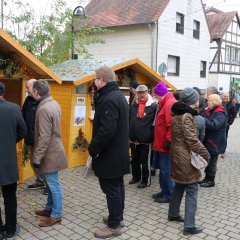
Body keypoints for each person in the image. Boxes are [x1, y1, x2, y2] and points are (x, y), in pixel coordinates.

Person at [88, 66, 130, 239]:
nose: (94, 81)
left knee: (111, 189)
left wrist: (93, 149)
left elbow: (107, 130)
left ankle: (114, 226)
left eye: (96, 78)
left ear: (102, 80)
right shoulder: (117, 96)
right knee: (117, 186)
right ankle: (117, 217)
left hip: (110, 154)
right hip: (118, 152)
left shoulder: (109, 99)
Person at [168, 87, 209, 236]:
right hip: (184, 156)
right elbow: (192, 140)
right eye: (197, 98)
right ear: (193, 101)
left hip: (177, 154)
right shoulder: (187, 116)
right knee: (192, 188)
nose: (199, 100)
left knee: (179, 184)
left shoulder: (177, 114)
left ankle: (173, 213)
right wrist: (205, 153)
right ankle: (189, 226)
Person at [31, 80, 67, 227]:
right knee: (52, 183)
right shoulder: (53, 103)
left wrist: (37, 157)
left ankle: (56, 215)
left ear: (36, 92)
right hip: (54, 150)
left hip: (50, 153)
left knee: (53, 184)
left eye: (31, 90)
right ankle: (49, 209)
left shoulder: (44, 109)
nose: (30, 92)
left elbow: (44, 137)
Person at [0, 81, 27, 240]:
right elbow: (23, 131)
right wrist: (10, 141)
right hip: (8, 160)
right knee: (10, 197)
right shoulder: (14, 108)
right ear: (4, 92)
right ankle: (10, 230)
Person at [129, 85, 157, 188]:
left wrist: (150, 135)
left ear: (147, 92)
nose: (141, 94)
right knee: (134, 159)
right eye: (139, 93)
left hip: (146, 139)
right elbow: (130, 119)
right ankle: (136, 176)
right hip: (134, 138)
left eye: (143, 92)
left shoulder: (153, 106)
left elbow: (155, 123)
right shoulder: (134, 104)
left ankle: (146, 180)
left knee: (145, 162)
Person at [152, 81, 176, 203]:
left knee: (166, 170)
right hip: (161, 143)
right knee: (163, 169)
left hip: (165, 144)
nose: (154, 97)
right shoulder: (165, 102)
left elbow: (171, 125)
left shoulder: (169, 104)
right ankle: (164, 190)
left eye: (155, 95)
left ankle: (170, 195)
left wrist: (169, 141)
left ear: (159, 94)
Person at [22, 79, 46, 190]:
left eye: (28, 88)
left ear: (35, 88)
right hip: (30, 137)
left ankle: (49, 185)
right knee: (33, 161)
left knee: (43, 163)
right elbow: (23, 114)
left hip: (40, 139)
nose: (27, 90)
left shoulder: (43, 101)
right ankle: (39, 181)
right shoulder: (28, 100)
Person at [200, 94, 227, 187]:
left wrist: (203, 120)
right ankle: (206, 178)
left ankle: (211, 181)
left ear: (214, 102)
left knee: (212, 163)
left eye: (209, 101)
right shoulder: (211, 111)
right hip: (210, 140)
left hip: (215, 142)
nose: (207, 102)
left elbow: (215, 125)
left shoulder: (220, 113)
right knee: (208, 161)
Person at [221, 92, 237, 158]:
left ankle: (222, 152)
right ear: (222, 97)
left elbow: (234, 114)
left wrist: (229, 122)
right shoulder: (220, 102)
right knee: (218, 136)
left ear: (228, 97)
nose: (225, 97)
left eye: (226, 96)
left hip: (226, 124)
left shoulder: (232, 104)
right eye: (224, 96)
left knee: (224, 137)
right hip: (219, 122)